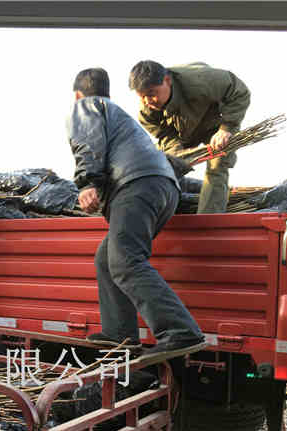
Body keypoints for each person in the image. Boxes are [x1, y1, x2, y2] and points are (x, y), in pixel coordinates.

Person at [66, 68, 206, 358]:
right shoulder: (120, 118)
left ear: (78, 94)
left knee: (125, 260)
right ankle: (120, 333)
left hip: (137, 186)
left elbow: (88, 143)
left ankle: (180, 331)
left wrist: (87, 183)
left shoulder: (88, 106)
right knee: (107, 259)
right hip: (162, 189)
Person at [128, 61, 251, 214]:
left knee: (218, 163)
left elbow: (239, 91)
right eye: (142, 97)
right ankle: (160, 212)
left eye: (151, 94)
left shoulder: (201, 80)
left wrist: (226, 128)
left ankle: (209, 219)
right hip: (180, 131)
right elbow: (165, 134)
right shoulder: (147, 113)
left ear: (167, 80)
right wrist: (176, 153)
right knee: (165, 165)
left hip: (213, 124)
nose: (148, 101)